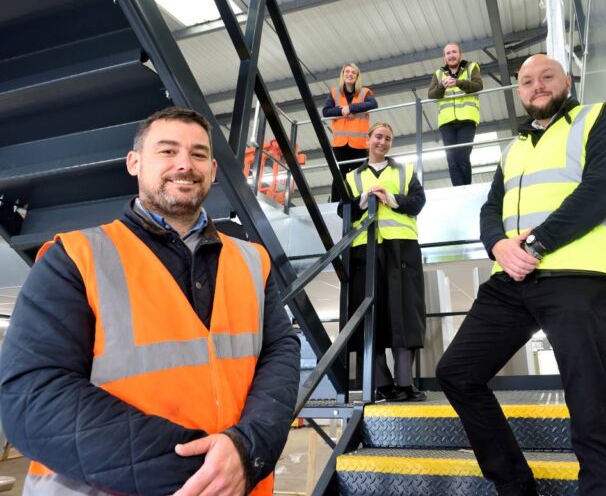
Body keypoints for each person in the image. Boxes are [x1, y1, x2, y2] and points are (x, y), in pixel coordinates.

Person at [0, 107, 301, 496]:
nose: (184, 164)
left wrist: (248, 450)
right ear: (134, 163)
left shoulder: (251, 260)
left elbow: (280, 353)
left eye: (197, 155)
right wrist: (208, 471)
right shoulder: (75, 258)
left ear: (211, 169)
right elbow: (33, 400)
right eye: (167, 151)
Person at [436, 55, 606, 496]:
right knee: (456, 372)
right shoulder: (514, 148)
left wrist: (534, 243)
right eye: (526, 81)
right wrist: (498, 244)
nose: (537, 86)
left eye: (547, 77)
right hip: (511, 280)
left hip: (577, 273)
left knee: (588, 395)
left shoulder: (601, 119)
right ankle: (513, 485)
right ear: (520, 92)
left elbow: (601, 190)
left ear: (567, 80)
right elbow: (490, 209)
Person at [339, 122, 427, 402]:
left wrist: (391, 198)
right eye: (378, 136)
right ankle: (383, 384)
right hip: (365, 249)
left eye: (388, 138)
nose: (383, 142)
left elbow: (418, 202)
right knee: (370, 316)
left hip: (401, 249)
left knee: (405, 313)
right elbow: (342, 211)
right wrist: (361, 202)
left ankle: (405, 383)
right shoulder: (351, 177)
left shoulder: (405, 172)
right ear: (367, 140)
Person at [427, 42, 483, 186]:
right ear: (444, 57)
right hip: (447, 122)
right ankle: (459, 189)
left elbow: (478, 85)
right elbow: (431, 95)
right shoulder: (438, 74)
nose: (451, 55)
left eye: (454, 52)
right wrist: (442, 86)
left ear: (460, 54)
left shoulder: (472, 67)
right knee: (451, 158)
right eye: (448, 53)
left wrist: (458, 82)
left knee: (462, 155)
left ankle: (466, 188)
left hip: (467, 119)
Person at [323, 62, 378, 201]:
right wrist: (342, 110)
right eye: (347, 71)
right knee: (339, 175)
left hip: (359, 144)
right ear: (343, 75)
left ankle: (357, 203)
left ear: (357, 76)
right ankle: (336, 204)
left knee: (358, 175)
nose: (350, 74)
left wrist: (352, 107)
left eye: (353, 72)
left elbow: (373, 104)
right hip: (340, 143)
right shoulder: (335, 92)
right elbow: (326, 111)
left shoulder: (364, 92)